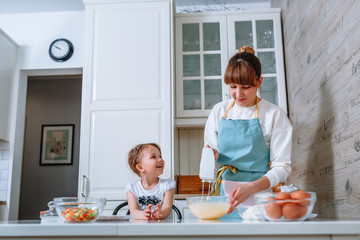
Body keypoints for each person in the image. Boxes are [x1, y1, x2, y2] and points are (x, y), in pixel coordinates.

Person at [204, 46, 292, 217]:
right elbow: (210, 150)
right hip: (223, 196)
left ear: (259, 82)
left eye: (245, 87)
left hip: (259, 196)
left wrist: (250, 188)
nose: (238, 94)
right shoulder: (219, 111)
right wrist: (211, 153)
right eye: (232, 86)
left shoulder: (274, 115)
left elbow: (282, 167)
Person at [126, 143, 175, 220]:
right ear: (140, 167)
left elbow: (167, 208)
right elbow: (133, 211)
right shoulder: (132, 188)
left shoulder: (167, 185)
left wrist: (161, 213)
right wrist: (143, 215)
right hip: (140, 228)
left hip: (161, 228)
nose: (160, 159)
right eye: (153, 157)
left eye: (160, 156)